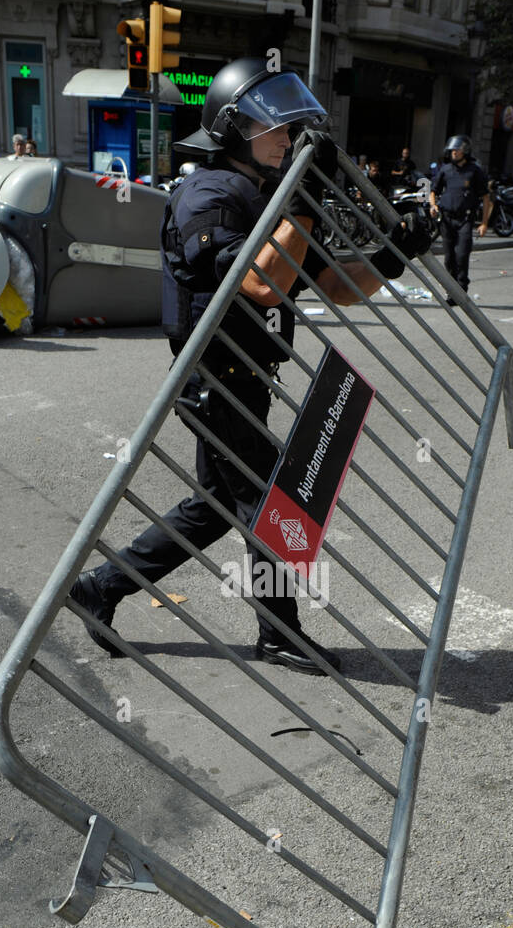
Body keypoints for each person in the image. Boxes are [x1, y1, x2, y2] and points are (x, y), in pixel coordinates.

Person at [69, 57, 430, 674]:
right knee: (273, 502)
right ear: (236, 128)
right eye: (277, 132)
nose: (288, 143)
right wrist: (305, 201)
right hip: (215, 381)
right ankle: (280, 632)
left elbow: (336, 286)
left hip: (250, 378)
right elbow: (261, 283)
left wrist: (396, 255)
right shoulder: (208, 194)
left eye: (291, 134)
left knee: (214, 505)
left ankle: (102, 587)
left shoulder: (267, 197)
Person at [429, 135, 492, 305]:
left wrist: (484, 223)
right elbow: (433, 191)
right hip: (447, 219)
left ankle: (461, 290)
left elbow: (486, 197)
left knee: (462, 255)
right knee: (449, 257)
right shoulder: (446, 169)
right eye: (451, 150)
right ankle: (451, 291)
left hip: (465, 219)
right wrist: (433, 206)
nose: (453, 153)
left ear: (465, 150)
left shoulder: (474, 171)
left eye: (456, 150)